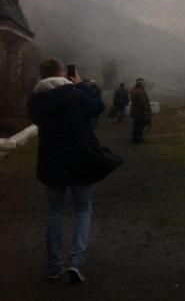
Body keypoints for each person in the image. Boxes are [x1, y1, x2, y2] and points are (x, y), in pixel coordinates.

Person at [27, 58, 105, 284]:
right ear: (63, 72)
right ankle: (76, 263)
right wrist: (80, 84)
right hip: (81, 161)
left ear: (42, 74)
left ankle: (54, 266)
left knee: (55, 212)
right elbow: (97, 106)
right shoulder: (75, 94)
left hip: (51, 163)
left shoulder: (35, 100)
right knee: (83, 209)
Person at [130, 78, 152, 143]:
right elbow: (142, 103)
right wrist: (147, 110)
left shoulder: (134, 90)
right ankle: (138, 139)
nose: (144, 85)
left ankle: (135, 138)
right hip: (139, 112)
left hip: (135, 111)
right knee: (139, 126)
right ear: (140, 84)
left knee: (135, 125)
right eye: (144, 84)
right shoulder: (141, 92)